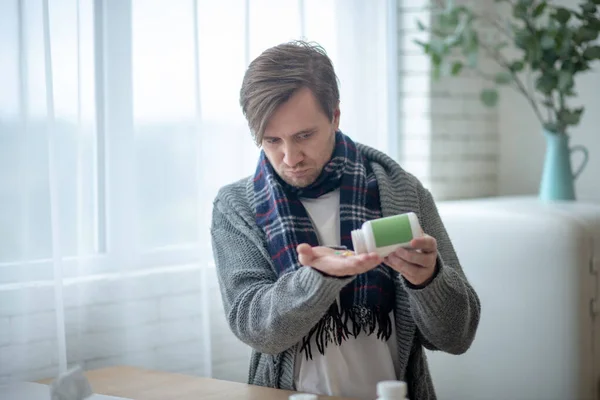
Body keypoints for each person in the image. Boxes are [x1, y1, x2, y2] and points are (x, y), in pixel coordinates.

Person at [210, 40, 481, 400]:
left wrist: (427, 279)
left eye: (304, 136)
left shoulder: (401, 192)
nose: (290, 157)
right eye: (272, 140)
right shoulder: (237, 207)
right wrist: (318, 279)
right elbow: (255, 329)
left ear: (335, 117)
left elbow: (457, 336)